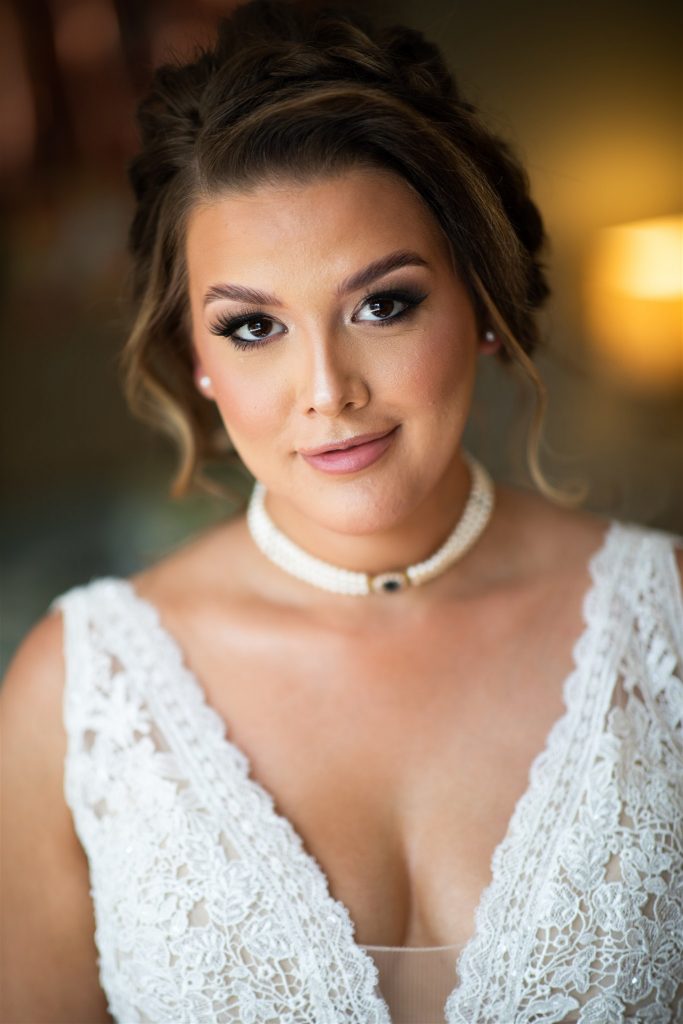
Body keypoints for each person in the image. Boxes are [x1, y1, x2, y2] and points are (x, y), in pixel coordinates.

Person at [2, 2, 682, 1022]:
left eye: (382, 304)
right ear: (196, 359)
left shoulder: (666, 615)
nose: (326, 388)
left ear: (481, 302)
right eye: (251, 326)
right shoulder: (78, 690)